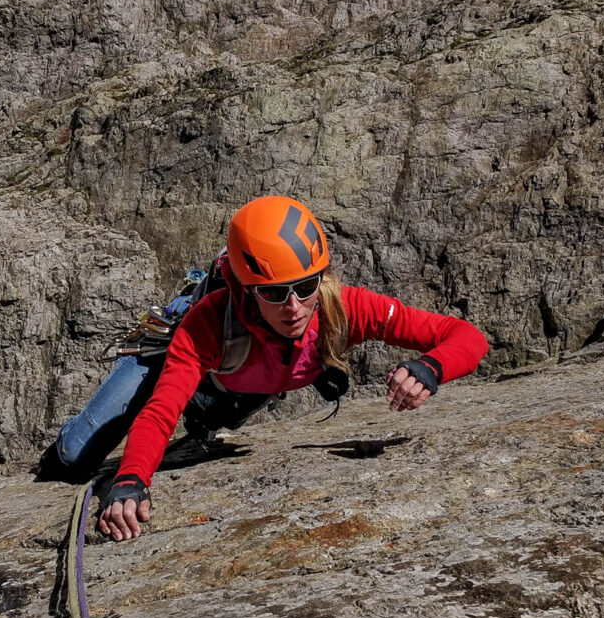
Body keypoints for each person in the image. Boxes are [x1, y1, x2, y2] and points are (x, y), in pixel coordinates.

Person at [67, 195, 488, 541]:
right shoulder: (210, 324)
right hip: (169, 356)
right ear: (248, 292)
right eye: (273, 293)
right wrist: (131, 479)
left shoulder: (341, 307)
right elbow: (161, 411)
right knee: (73, 457)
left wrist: (431, 368)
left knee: (221, 410)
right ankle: (182, 300)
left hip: (234, 384)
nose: (293, 307)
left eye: (305, 288)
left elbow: (467, 336)